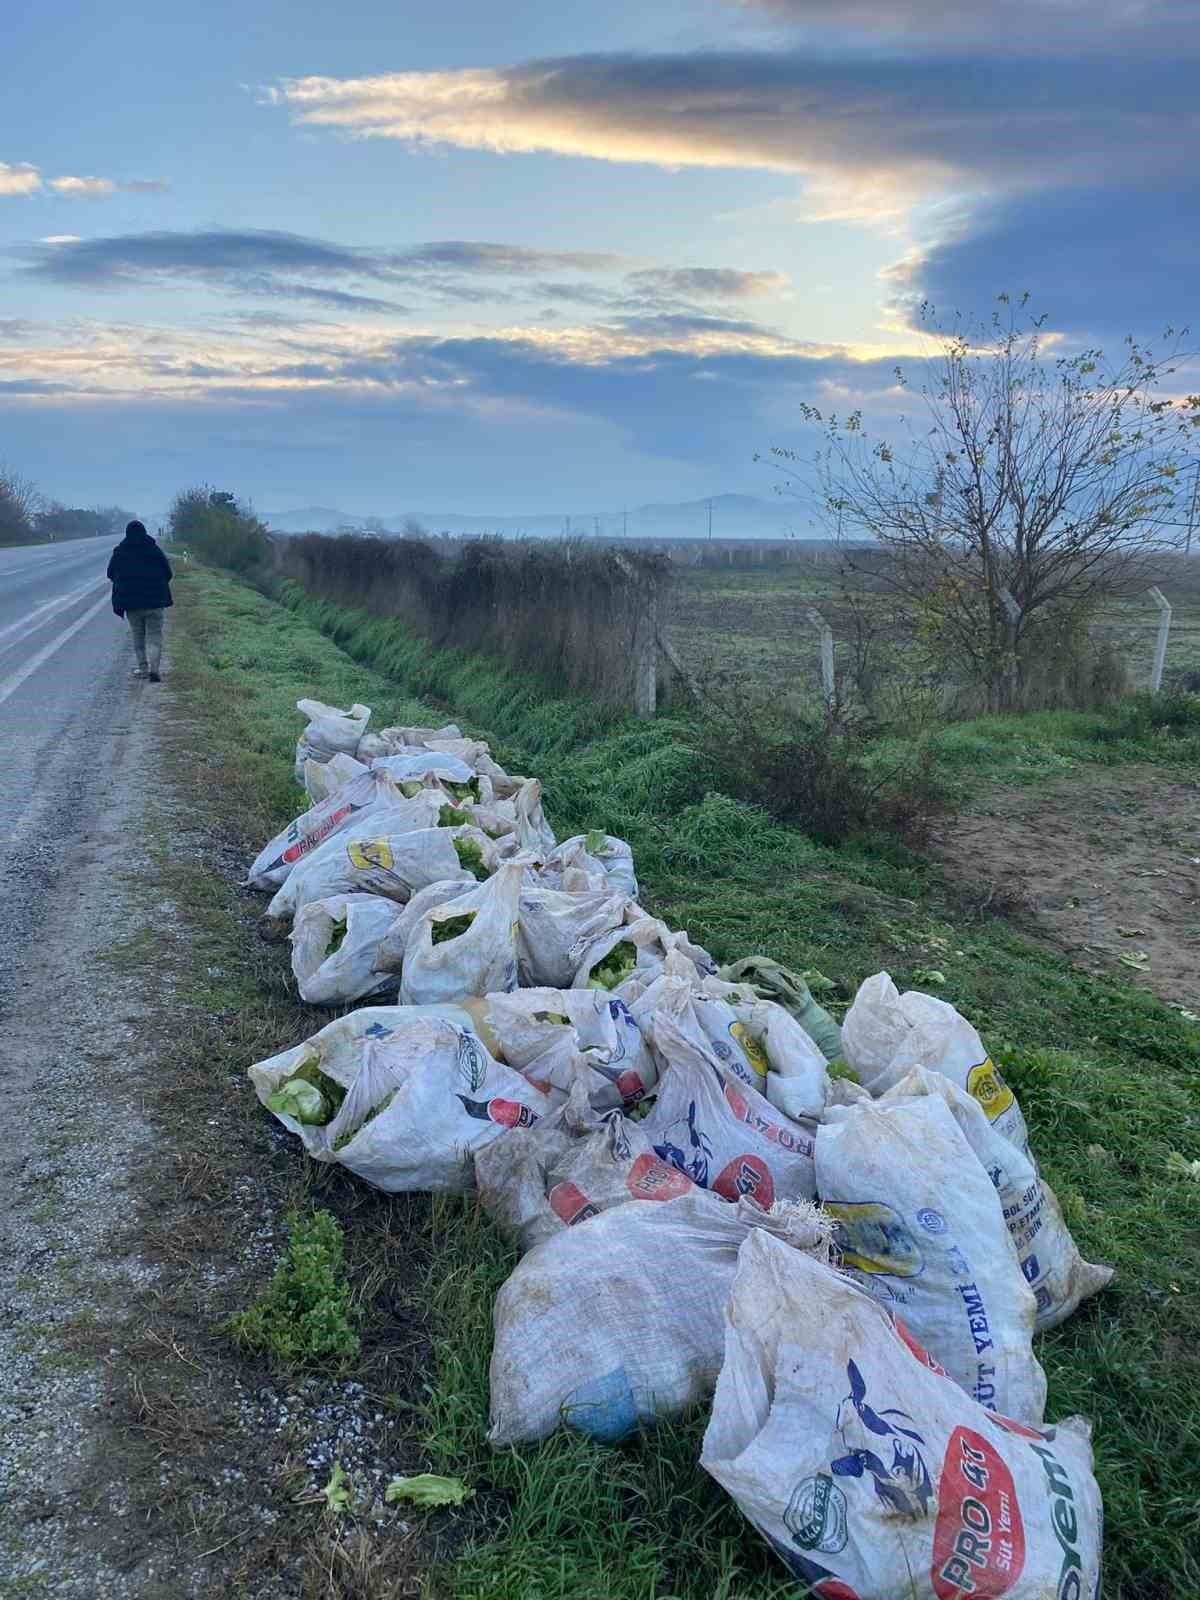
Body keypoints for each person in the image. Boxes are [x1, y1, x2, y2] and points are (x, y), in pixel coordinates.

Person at [107, 520, 173, 682]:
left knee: (138, 637)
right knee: (154, 637)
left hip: (132, 604)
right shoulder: (154, 549)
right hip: (155, 603)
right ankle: (155, 671)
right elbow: (168, 572)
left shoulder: (120, 552)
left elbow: (110, 574)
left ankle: (143, 669)